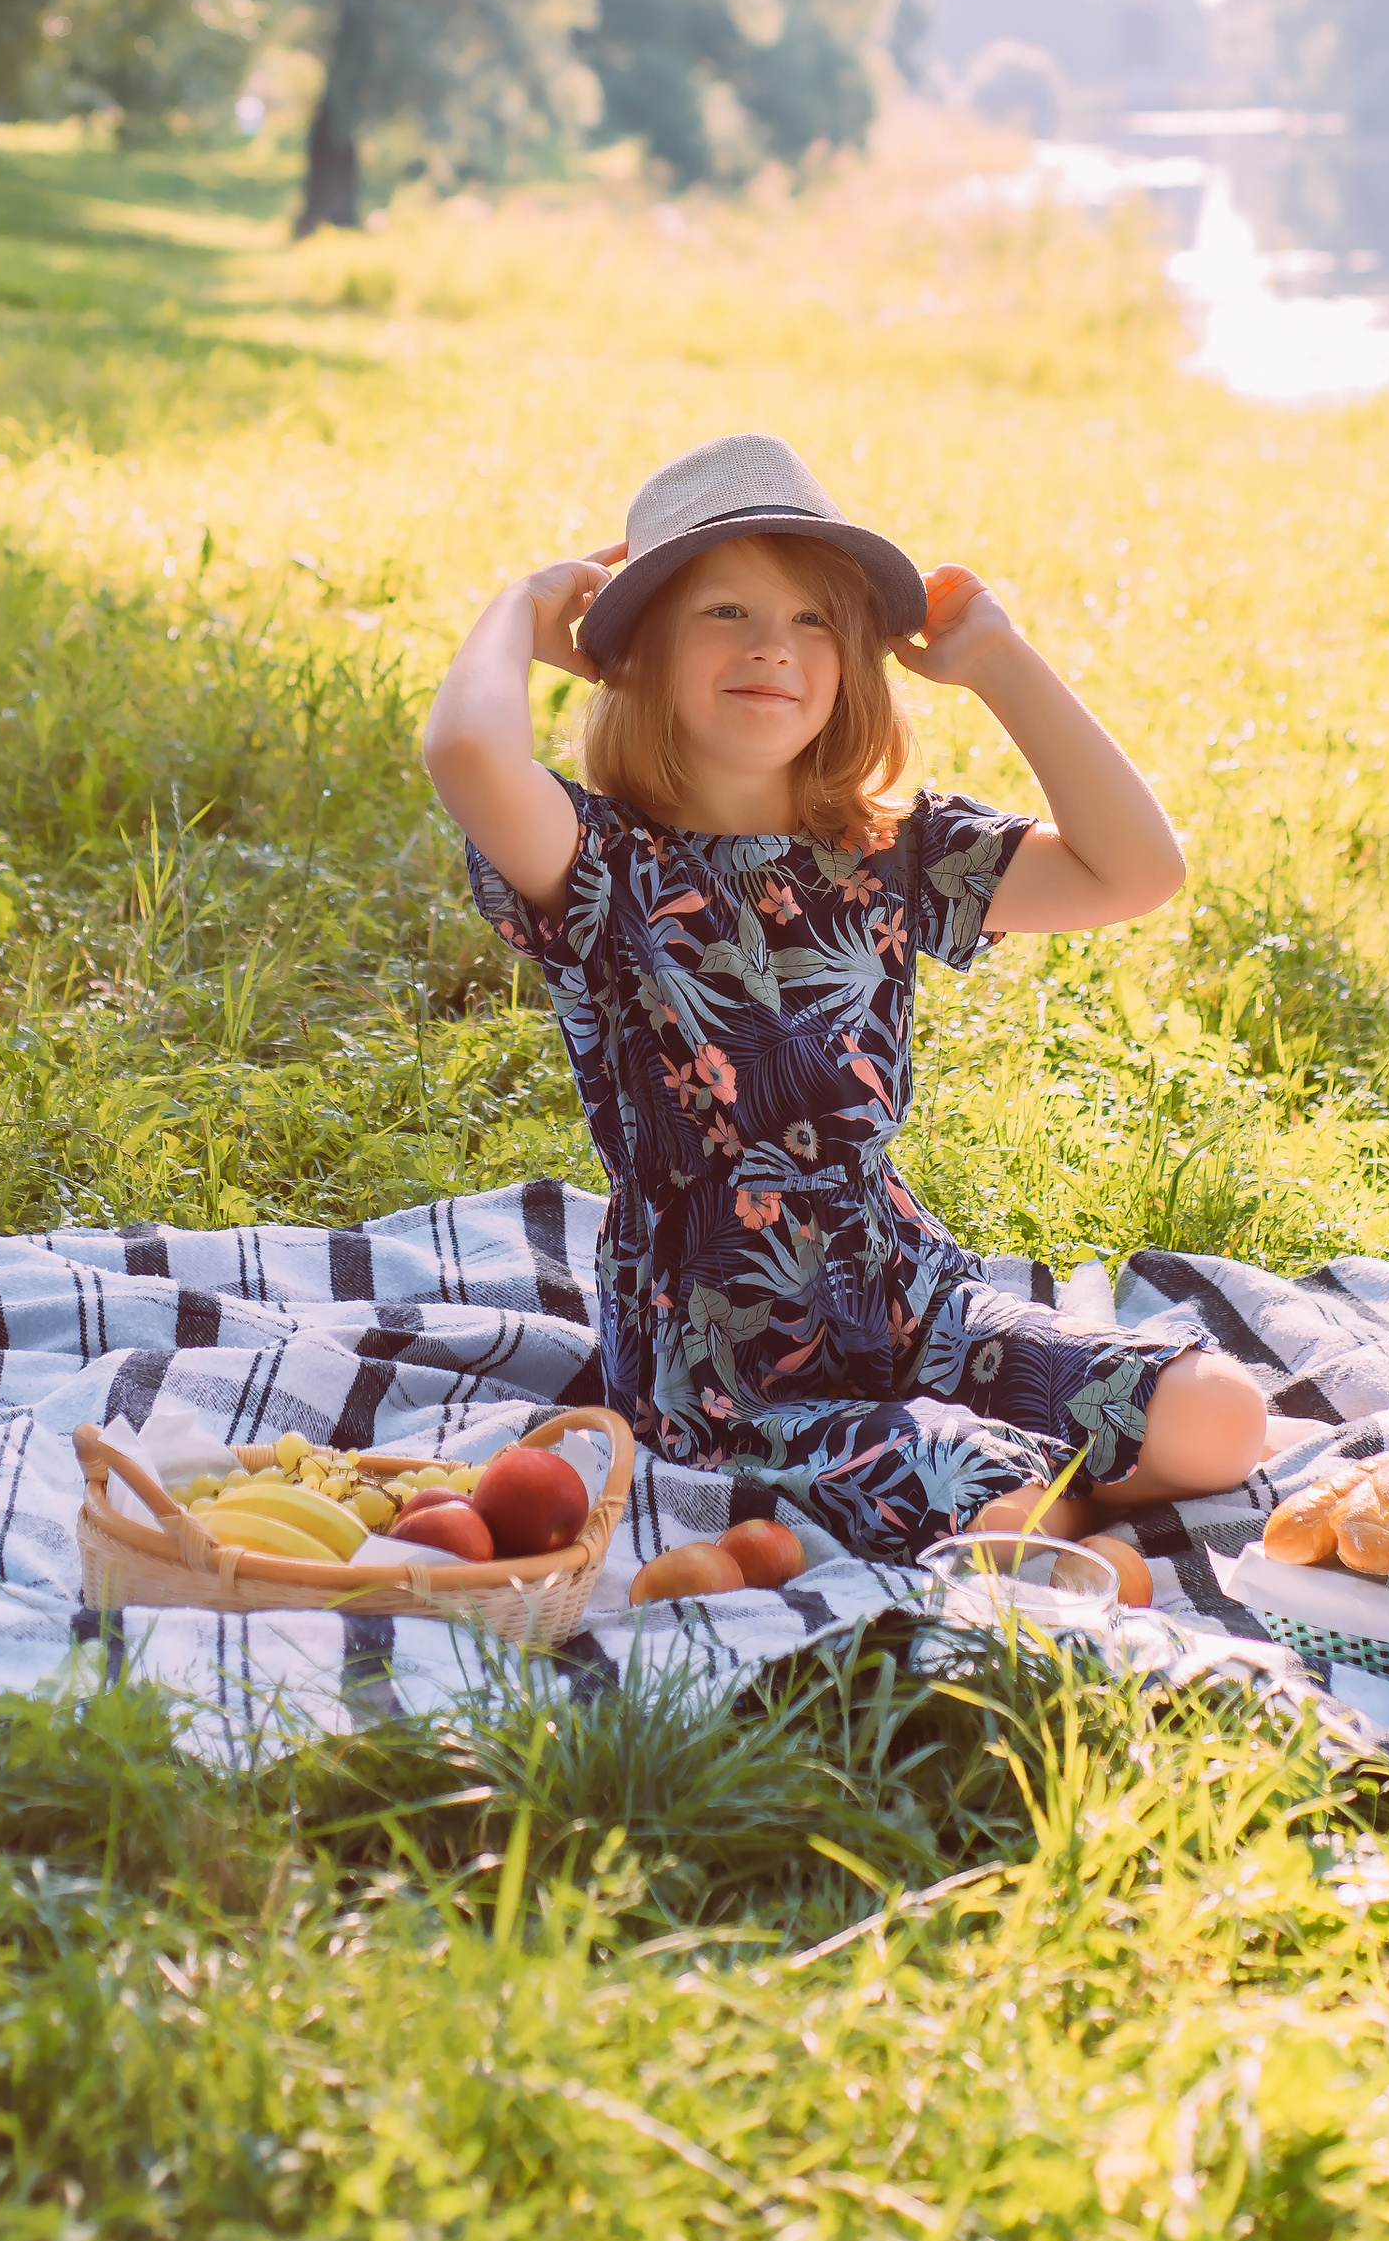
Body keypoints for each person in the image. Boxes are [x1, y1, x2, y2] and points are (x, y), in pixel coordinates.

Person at [423, 431, 1267, 1561]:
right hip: (719, 1353)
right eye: (725, 612)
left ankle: (999, 1479)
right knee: (1011, 1504)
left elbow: (1136, 871)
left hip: (909, 1296)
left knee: (1223, 1419)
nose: (774, 646)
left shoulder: (889, 850)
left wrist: (999, 660)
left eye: (813, 619)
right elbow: (465, 749)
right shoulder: (594, 862)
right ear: (643, 653)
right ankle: (997, 1493)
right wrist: (521, 607)